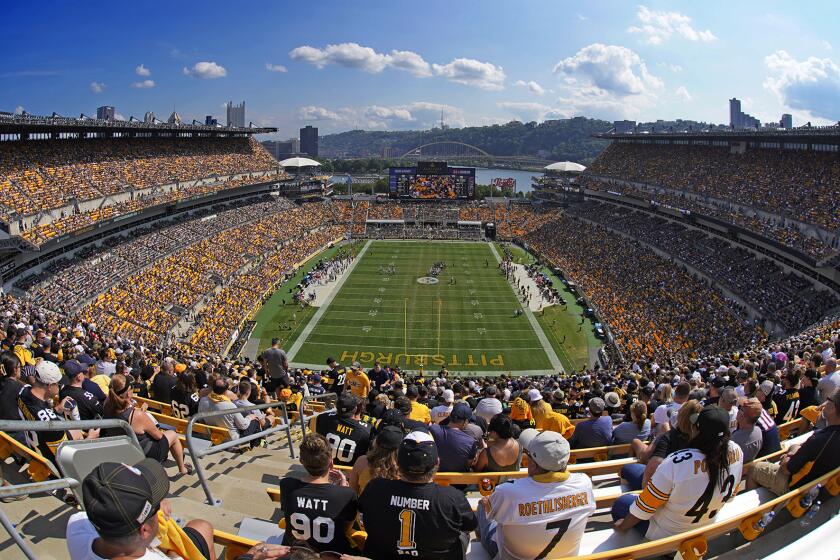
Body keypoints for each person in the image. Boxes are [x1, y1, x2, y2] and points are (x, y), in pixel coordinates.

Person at [66, 459, 290, 560]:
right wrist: (251, 556)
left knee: (201, 526)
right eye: (155, 508)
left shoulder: (77, 524)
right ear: (144, 531)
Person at [612, 405, 744, 540]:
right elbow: (731, 496)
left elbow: (644, 508)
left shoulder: (676, 462)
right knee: (631, 470)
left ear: (697, 430)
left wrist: (622, 526)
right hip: (708, 521)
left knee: (621, 503)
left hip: (667, 531)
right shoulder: (737, 451)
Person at [477, 428, 595, 559]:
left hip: (514, 557)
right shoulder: (584, 483)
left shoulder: (507, 491)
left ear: (533, 465)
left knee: (483, 505)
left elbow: (492, 514)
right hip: (565, 556)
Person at [358, 431, 477, 559]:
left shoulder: (375, 488)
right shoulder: (453, 497)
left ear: (397, 462)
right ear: (437, 462)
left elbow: (361, 509)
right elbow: (470, 525)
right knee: (462, 534)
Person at [748, 388, 840, 495]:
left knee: (753, 468)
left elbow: (786, 469)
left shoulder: (818, 439)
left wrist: (789, 454)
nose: (825, 402)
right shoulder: (825, 436)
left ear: (833, 407)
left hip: (796, 488)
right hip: (819, 484)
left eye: (828, 399)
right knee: (793, 448)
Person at [279, 433, 359, 554]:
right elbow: (346, 529)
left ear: (301, 461)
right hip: (330, 555)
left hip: (297, 554)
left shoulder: (286, 485)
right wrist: (343, 490)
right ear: (331, 463)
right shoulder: (347, 495)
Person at [103, 374, 191, 474]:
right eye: (131, 388)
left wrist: (140, 413)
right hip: (145, 454)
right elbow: (159, 436)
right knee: (172, 434)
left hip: (124, 451)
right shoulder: (137, 415)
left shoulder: (107, 406)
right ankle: (182, 469)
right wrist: (142, 415)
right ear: (128, 393)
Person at [18, 360, 100, 459]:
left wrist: (57, 409)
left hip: (34, 447)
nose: (59, 386)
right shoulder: (53, 426)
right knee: (77, 432)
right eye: (57, 383)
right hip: (50, 460)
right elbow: (66, 455)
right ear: (49, 386)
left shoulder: (23, 391)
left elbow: (39, 415)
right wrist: (90, 438)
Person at [623, 400, 702, 491]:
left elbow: (648, 476)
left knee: (626, 469)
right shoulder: (702, 438)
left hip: (663, 488)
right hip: (686, 484)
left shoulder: (668, 437)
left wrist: (660, 436)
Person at [198, 377, 266, 448]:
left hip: (213, 434)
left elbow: (201, 419)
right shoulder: (230, 405)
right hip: (231, 439)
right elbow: (243, 426)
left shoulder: (203, 400)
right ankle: (258, 445)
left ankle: (260, 443)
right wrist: (249, 417)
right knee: (255, 421)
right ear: (226, 391)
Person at [314, 392, 371, 466]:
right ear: (355, 408)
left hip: (324, 467)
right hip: (351, 472)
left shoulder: (322, 418)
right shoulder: (366, 430)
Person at [349, 425, 403, 495]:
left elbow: (352, 493)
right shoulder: (403, 470)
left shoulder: (361, 462)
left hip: (363, 505)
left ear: (376, 443)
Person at [428, 403, 479, 472]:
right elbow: (468, 464)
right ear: (466, 421)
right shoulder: (470, 442)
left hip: (434, 476)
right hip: (459, 480)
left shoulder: (432, 429)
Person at [731, 398, 763, 463]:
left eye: (739, 408)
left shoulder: (735, 439)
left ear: (742, 416)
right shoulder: (758, 431)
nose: (737, 409)